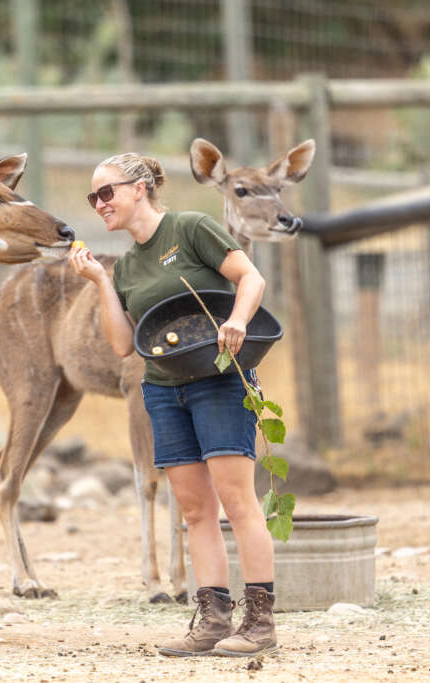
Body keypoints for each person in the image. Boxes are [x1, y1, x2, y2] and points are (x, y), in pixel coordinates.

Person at [67, 152, 277, 658]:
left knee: (236, 500)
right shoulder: (128, 265)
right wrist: (99, 281)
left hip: (218, 380)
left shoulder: (191, 228)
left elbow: (250, 279)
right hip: (163, 388)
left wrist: (239, 321)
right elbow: (123, 345)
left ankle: (260, 623)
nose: (99, 205)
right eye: (92, 198)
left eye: (106, 193)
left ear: (139, 188)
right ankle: (212, 619)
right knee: (192, 508)